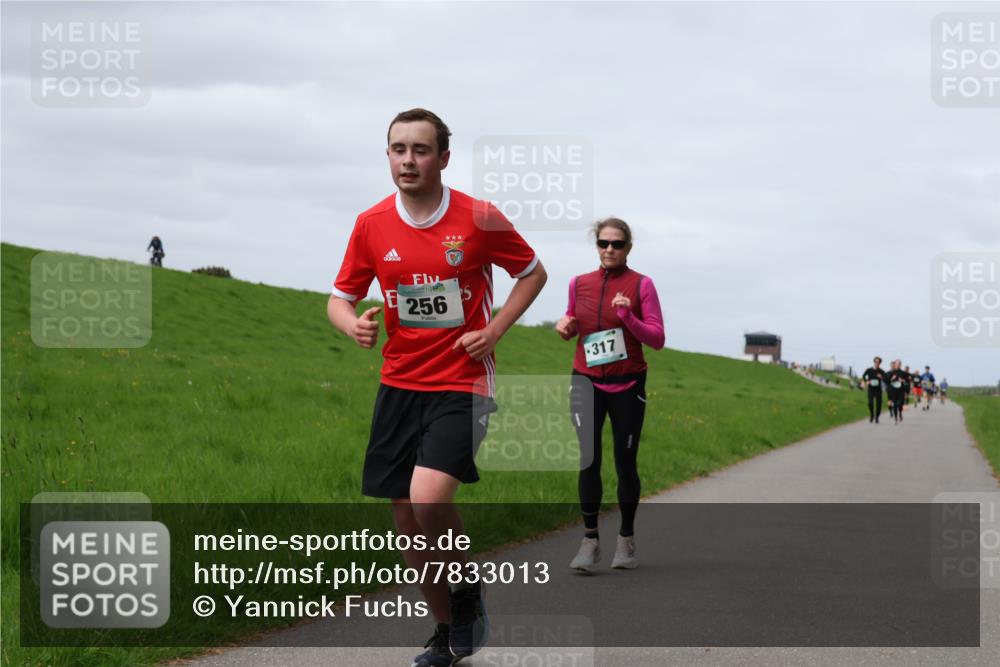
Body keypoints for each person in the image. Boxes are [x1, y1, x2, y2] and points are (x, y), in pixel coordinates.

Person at [327, 108, 547, 667]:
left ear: (443, 158)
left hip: (462, 379)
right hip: (399, 382)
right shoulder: (371, 223)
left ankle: (466, 589)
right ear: (387, 155)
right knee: (406, 519)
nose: (408, 160)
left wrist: (494, 330)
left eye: (420, 150)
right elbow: (339, 297)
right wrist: (351, 324)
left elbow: (532, 273)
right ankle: (448, 631)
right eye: (398, 149)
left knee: (428, 497)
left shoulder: (478, 217)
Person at [555, 217, 665, 572]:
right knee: (588, 460)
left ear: (628, 247)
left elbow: (657, 339)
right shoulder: (579, 283)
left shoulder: (642, 284)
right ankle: (589, 542)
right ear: (597, 245)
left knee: (624, 462)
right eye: (603, 243)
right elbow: (572, 322)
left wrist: (627, 316)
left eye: (617, 244)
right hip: (586, 381)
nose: (610, 249)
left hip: (627, 385)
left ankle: (626, 540)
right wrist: (566, 326)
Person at [862, 357, 886, 423]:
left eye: (878, 362)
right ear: (874, 362)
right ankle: (872, 414)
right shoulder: (869, 370)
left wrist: (882, 377)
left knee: (879, 404)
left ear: (880, 363)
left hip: (878, 389)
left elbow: (886, 379)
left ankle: (877, 417)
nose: (877, 363)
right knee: (870, 403)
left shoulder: (881, 371)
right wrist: (867, 381)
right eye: (876, 362)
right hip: (871, 389)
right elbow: (864, 376)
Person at [885, 360, 908, 424]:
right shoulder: (890, 372)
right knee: (894, 404)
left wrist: (903, 380)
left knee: (900, 403)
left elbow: (907, 381)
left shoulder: (903, 373)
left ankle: (900, 413)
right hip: (893, 390)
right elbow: (886, 381)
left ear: (900, 365)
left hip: (901, 390)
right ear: (894, 365)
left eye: (899, 364)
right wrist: (891, 379)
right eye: (896, 364)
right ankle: (895, 418)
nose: (898, 365)